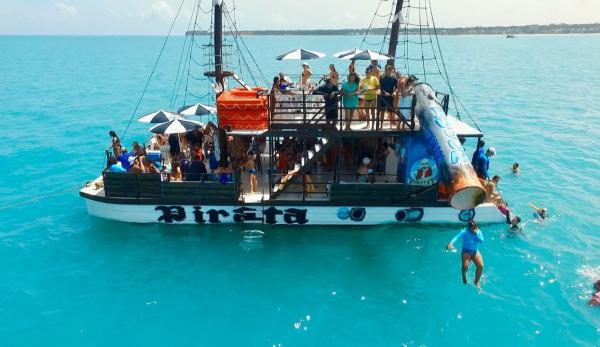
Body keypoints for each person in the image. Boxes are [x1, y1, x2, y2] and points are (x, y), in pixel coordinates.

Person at [447, 221, 485, 288]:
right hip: (466, 251)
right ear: (469, 228)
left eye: (475, 228)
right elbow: (456, 237)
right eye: (472, 228)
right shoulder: (464, 231)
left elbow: (482, 241)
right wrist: (451, 243)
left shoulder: (478, 232)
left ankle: (476, 281)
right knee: (465, 266)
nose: (474, 229)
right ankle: (463, 276)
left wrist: (476, 234)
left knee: (481, 266)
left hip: (475, 251)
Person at [378, 65, 398, 130]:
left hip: (390, 96)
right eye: (387, 70)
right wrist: (384, 92)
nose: (389, 71)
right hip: (383, 97)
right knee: (382, 112)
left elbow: (397, 88)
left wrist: (394, 92)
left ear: (391, 71)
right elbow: (381, 87)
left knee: (391, 112)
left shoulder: (394, 79)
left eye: (390, 70)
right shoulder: (382, 78)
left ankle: (390, 126)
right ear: (385, 70)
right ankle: (381, 125)